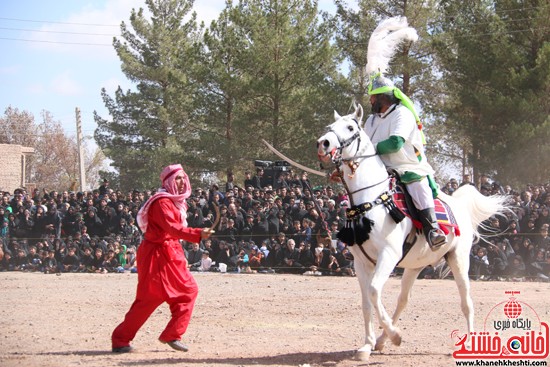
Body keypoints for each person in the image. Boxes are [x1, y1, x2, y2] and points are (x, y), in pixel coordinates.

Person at [111, 164, 214, 353]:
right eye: (177, 178)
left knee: (185, 293)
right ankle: (121, 339)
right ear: (168, 182)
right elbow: (172, 228)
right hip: (156, 254)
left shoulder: (175, 202)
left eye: (183, 177)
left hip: (170, 252)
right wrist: (198, 233)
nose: (182, 182)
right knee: (151, 298)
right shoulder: (162, 203)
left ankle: (168, 334)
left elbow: (174, 231)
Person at [362, 75, 446, 249]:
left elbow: (395, 144)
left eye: (373, 96)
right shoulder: (371, 120)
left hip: (406, 166)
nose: (370, 100)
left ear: (382, 97)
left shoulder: (402, 114)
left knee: (418, 186)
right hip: (379, 167)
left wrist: (369, 149)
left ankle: (433, 230)